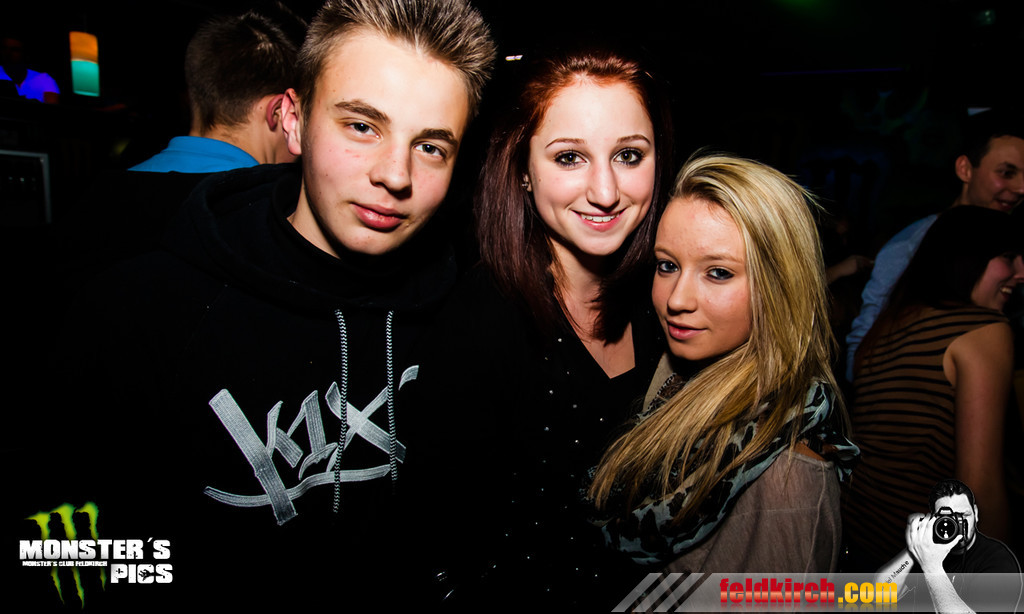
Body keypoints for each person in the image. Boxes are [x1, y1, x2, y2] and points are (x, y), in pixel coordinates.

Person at [29, 0, 495, 610]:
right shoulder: (136, 310)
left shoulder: (465, 309)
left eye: (431, 146)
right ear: (293, 122)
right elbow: (64, 553)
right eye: (362, 126)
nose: (395, 174)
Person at [403, 45, 673, 608]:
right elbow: (437, 535)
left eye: (629, 155)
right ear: (523, 171)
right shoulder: (483, 316)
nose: (605, 191)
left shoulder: (665, 299)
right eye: (569, 158)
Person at [589, 154, 858, 572]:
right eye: (667, 266)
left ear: (779, 285)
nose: (677, 299)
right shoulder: (673, 378)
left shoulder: (787, 480)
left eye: (718, 273)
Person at [842, 206, 1024, 571]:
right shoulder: (982, 330)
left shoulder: (887, 328)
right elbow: (980, 489)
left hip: (859, 544)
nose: (1021, 272)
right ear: (965, 257)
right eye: (1007, 257)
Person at [845, 111, 1024, 381]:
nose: (1021, 187)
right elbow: (867, 331)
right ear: (965, 169)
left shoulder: (1013, 247)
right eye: (1007, 173)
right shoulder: (913, 242)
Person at [874, 479, 1022, 613]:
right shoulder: (926, 552)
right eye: (947, 519)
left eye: (963, 516)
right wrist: (914, 548)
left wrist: (932, 568)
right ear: (934, 520)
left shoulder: (998, 559)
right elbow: (879, 595)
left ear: (976, 513)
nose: (956, 524)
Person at [0, 35, 59, 103]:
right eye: (4, 48)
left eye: (14, 50)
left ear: (25, 53)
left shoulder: (44, 79)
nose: (8, 53)